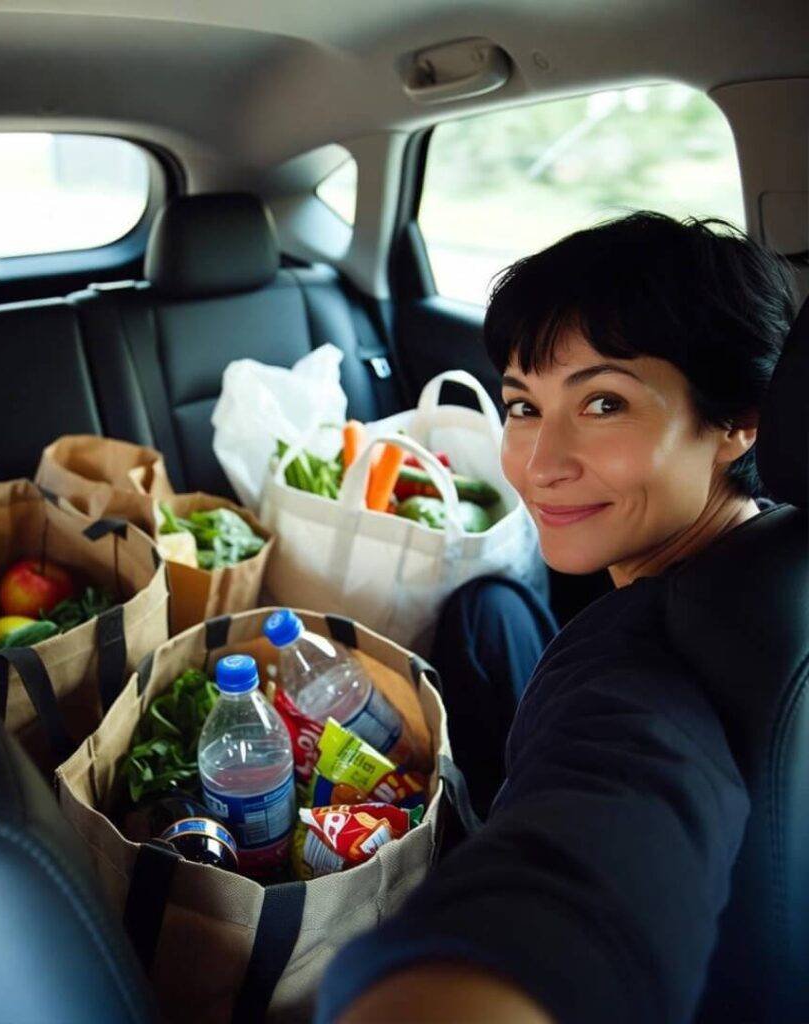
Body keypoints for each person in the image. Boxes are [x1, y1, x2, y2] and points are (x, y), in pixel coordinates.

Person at [315, 212, 797, 1024]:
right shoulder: (781, 551)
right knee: (489, 608)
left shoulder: (635, 668)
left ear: (737, 419)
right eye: (524, 406)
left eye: (605, 403)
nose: (538, 465)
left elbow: (601, 829)